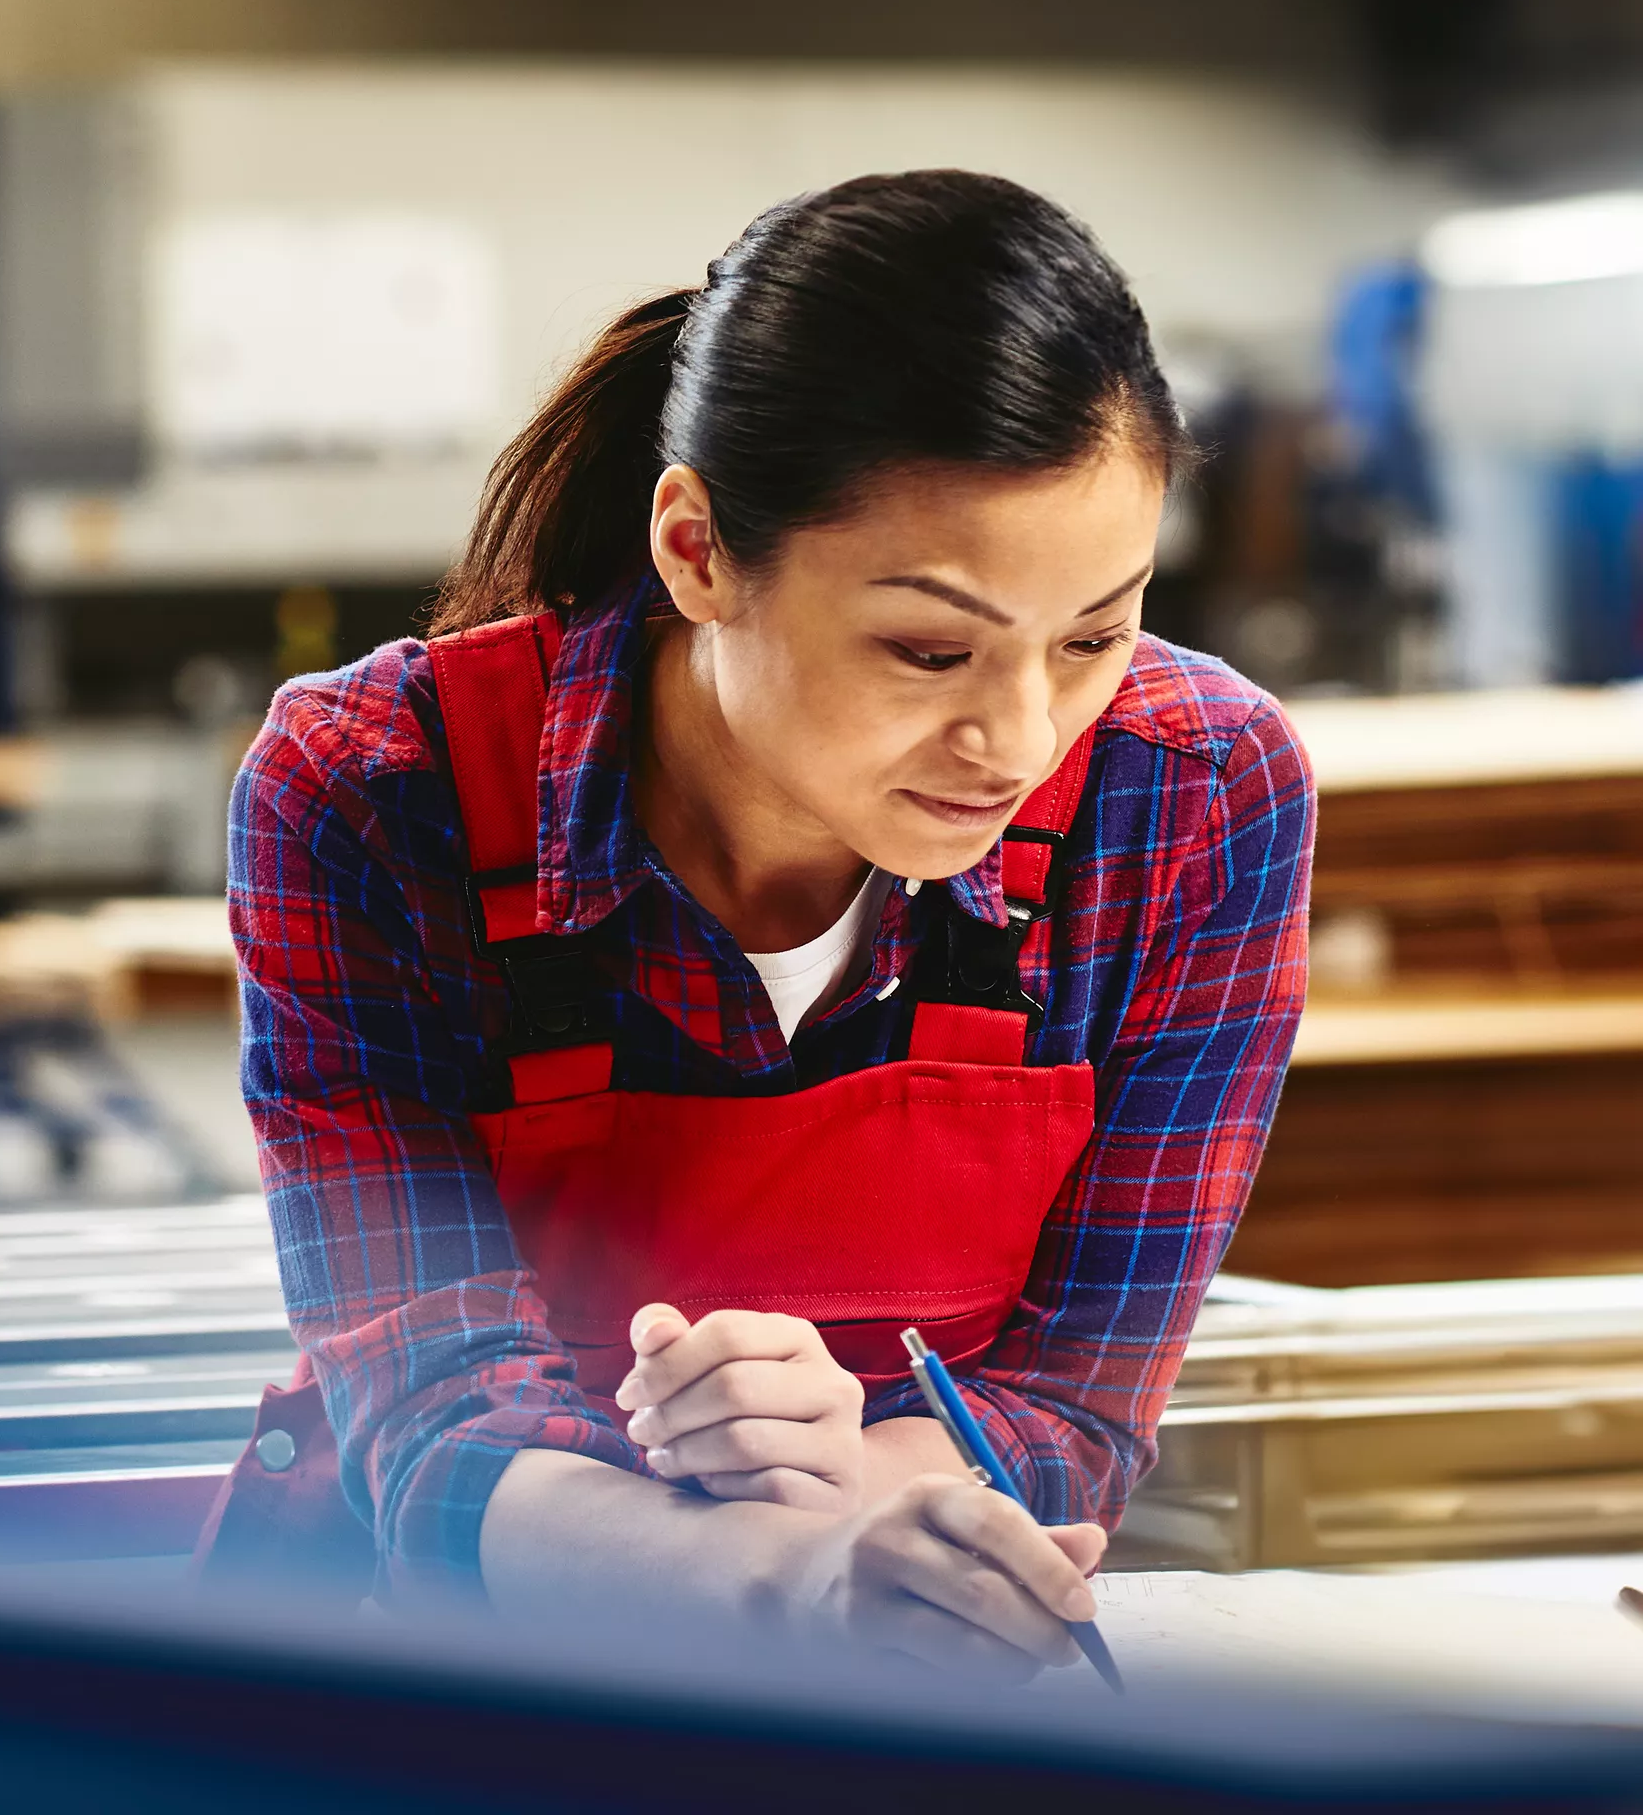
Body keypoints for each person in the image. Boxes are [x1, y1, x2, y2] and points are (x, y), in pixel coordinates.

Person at [197, 170, 1313, 1682]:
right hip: (441, 1682)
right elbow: (432, 1417)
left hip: (896, 1664)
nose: (1023, 736)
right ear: (698, 550)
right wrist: (784, 1583)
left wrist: (855, 1501)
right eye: (930, 649)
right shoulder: (375, 794)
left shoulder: (1190, 797)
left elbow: (1074, 1401)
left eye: (1096, 636)